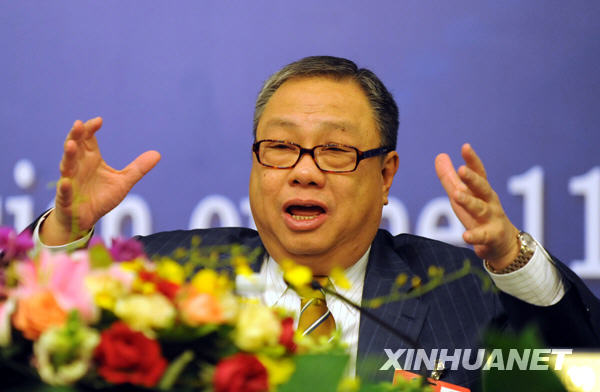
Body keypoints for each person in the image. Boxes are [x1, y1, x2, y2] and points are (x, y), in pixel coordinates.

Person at [33, 56, 600, 390]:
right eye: (280, 146)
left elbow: (584, 373)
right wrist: (63, 233)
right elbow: (30, 354)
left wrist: (511, 260)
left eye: (335, 150)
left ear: (386, 176)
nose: (303, 172)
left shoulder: (462, 288)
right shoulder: (166, 274)